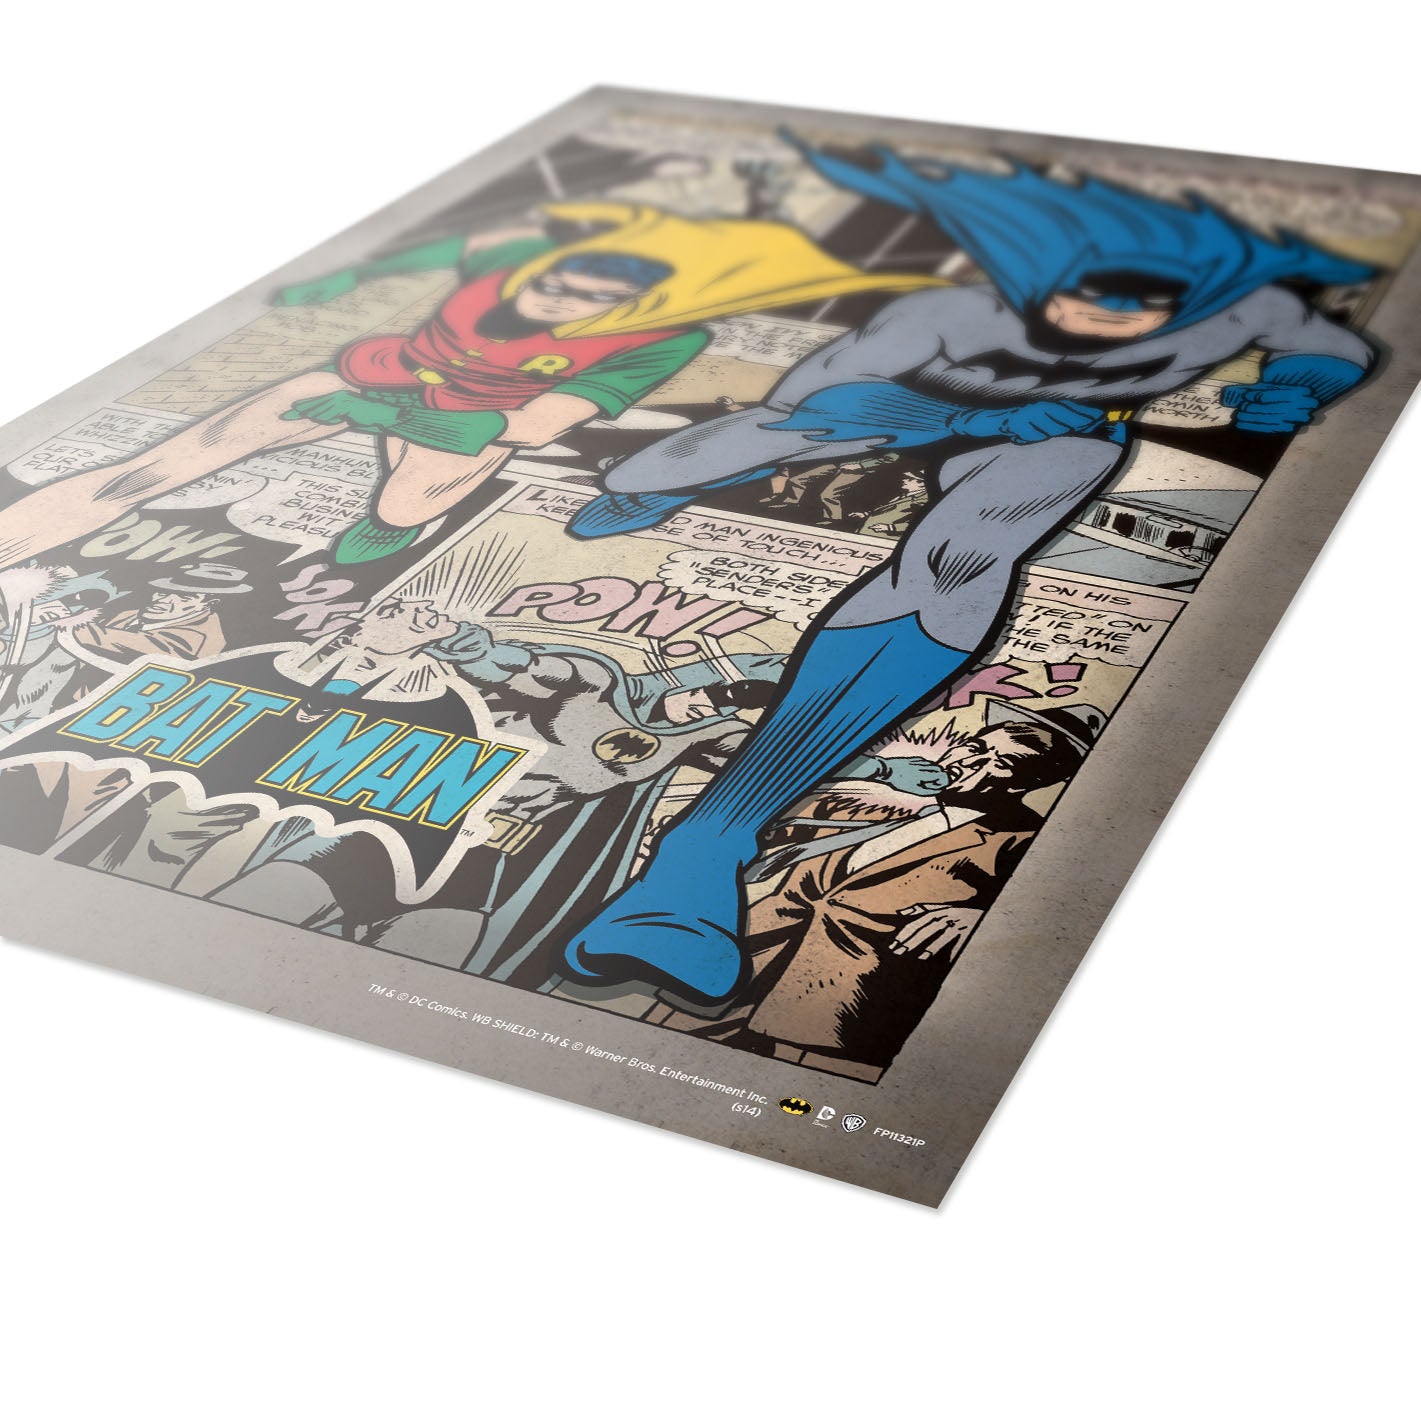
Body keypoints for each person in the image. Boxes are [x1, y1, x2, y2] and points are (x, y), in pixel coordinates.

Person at [560, 136, 1377, 1001]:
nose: (1109, 311)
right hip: (896, 411)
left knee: (960, 562)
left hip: (1061, 435)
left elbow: (1333, 349)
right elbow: (815, 401)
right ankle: (654, 490)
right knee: (669, 465)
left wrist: (1297, 388)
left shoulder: (1235, 311)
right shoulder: (947, 313)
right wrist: (975, 415)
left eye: (1145, 301)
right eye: (1086, 289)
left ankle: (705, 852)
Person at [0, 204, 941, 569]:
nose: (558, 297)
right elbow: (453, 246)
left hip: (471, 419)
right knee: (158, 466)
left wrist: (374, 415)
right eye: (560, 281)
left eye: (590, 300)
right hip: (382, 367)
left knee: (405, 503)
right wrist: (353, 276)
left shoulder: (663, 338)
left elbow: (530, 427)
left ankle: (394, 523)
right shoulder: (522, 252)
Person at [213, 628, 784, 984]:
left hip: (492, 861)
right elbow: (526, 668)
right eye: (724, 693)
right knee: (256, 914)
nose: (713, 708)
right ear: (707, 678)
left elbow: (778, 764)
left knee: (419, 970)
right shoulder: (595, 683)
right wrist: (472, 647)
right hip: (404, 832)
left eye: (737, 707)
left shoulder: (701, 739)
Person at [649, 702, 1101, 1079]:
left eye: (999, 763)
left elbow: (1058, 919)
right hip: (731, 982)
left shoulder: (1021, 840)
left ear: (1026, 783)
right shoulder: (881, 815)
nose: (970, 762)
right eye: (977, 747)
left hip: (828, 1018)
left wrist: (980, 918)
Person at [72, 562, 250, 663]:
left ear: (209, 604)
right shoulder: (132, 615)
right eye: (164, 592)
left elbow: (97, 637)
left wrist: (65, 620)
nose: (163, 600)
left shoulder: (197, 638)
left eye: (184, 597)